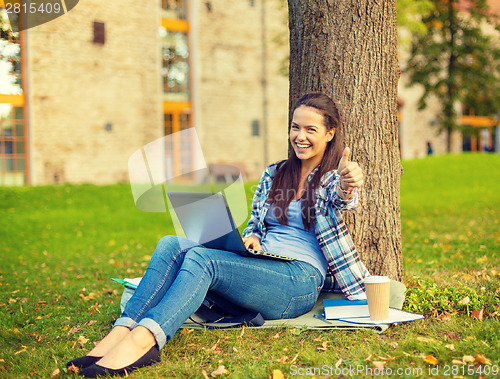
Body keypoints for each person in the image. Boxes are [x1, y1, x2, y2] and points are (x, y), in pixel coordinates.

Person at [67, 92, 369, 377]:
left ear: (330, 134)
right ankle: (122, 332)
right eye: (295, 127)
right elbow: (256, 222)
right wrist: (252, 239)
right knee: (171, 244)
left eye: (310, 129)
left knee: (202, 259)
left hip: (298, 282)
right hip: (265, 263)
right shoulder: (275, 173)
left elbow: (343, 198)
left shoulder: (331, 179)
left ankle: (145, 341)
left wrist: (348, 181)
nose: (300, 137)